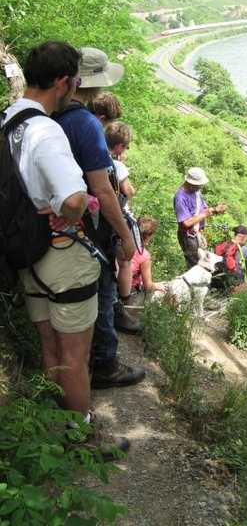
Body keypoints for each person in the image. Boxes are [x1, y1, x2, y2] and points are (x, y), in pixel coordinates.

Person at [1, 40, 129, 456]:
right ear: (61, 82)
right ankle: (82, 437)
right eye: (74, 80)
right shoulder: (46, 130)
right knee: (74, 353)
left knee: (48, 345)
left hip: (25, 254)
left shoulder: (7, 121)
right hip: (61, 256)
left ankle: (55, 424)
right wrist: (69, 213)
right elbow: (76, 199)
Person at [54, 46, 146, 389]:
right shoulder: (86, 124)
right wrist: (124, 235)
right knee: (104, 291)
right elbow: (104, 190)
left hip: (59, 221)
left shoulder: (51, 116)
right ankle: (105, 362)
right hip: (89, 226)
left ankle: (83, 365)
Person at [104, 121, 136, 311]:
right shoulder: (117, 164)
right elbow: (129, 192)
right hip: (117, 217)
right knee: (124, 260)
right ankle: (124, 298)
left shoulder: (95, 155)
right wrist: (122, 166)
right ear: (119, 147)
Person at [173, 167, 226, 268]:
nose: (201, 187)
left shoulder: (197, 192)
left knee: (204, 261)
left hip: (198, 233)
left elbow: (202, 209)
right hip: (188, 237)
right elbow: (185, 223)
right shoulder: (180, 198)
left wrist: (215, 210)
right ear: (191, 183)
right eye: (199, 185)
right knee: (196, 265)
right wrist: (204, 214)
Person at [212, 225, 247, 294]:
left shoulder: (221, 246)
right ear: (244, 237)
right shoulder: (245, 250)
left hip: (216, 284)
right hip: (234, 288)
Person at [129, 215, 168, 305]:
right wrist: (158, 285)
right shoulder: (143, 255)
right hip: (131, 293)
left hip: (115, 290)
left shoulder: (123, 245)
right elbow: (148, 286)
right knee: (154, 294)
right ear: (147, 237)